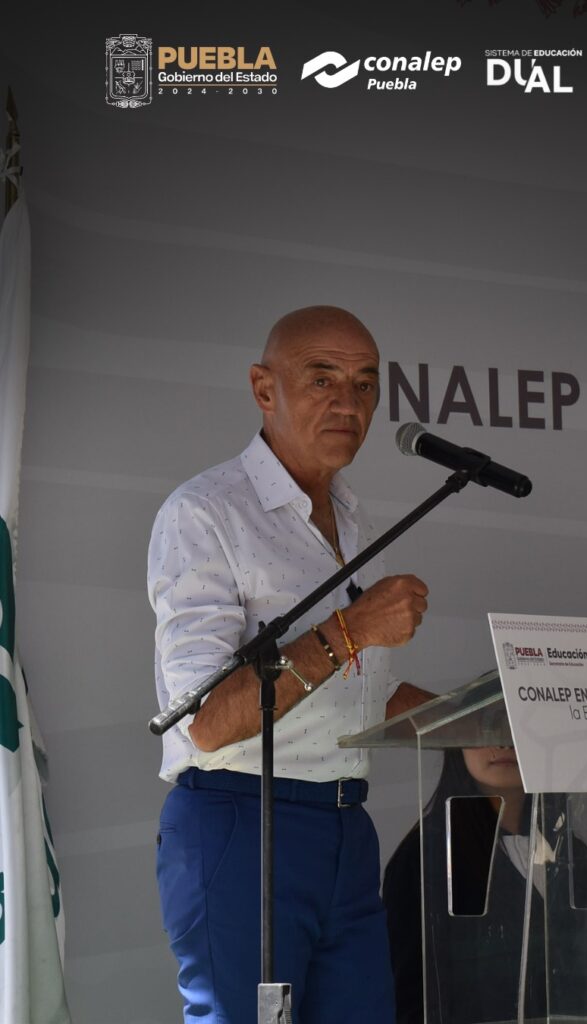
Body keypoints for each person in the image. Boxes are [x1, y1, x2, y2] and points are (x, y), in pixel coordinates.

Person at [148, 306, 432, 1024]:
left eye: (365, 384)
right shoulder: (205, 511)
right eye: (322, 379)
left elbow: (355, 694)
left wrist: (490, 718)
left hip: (345, 826)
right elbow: (206, 721)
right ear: (263, 388)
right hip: (244, 821)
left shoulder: (352, 517)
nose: (348, 403)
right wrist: (350, 630)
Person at [383, 746, 587, 1024]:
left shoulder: (573, 853)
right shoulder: (425, 857)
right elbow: (409, 997)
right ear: (455, 740)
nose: (503, 744)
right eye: (486, 727)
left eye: (512, 729)